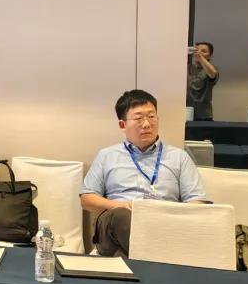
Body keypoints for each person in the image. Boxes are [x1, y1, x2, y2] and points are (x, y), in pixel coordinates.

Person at [80, 89, 209, 257]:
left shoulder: (179, 157)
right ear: (122, 125)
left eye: (152, 116)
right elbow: (87, 199)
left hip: (164, 224)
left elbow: (197, 201)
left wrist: (171, 215)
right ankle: (159, 259)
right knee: (121, 217)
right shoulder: (107, 156)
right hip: (116, 223)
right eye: (139, 118)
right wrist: (120, 205)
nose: (147, 124)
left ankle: (146, 259)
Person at [187, 42, 219, 121]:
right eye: (197, 50)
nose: (199, 52)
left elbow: (212, 74)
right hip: (187, 113)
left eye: (204, 51)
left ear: (210, 56)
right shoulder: (188, 67)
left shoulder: (213, 68)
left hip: (204, 115)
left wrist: (200, 58)